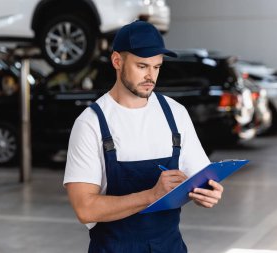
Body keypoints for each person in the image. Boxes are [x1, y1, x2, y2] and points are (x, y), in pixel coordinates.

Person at [63, 20, 224, 252]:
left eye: (157, 67)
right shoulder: (91, 123)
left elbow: (199, 176)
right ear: (117, 61)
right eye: (142, 66)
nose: (151, 76)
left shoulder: (175, 114)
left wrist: (206, 193)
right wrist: (152, 195)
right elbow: (85, 208)